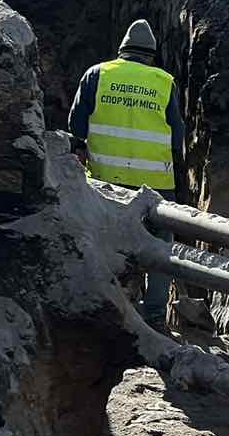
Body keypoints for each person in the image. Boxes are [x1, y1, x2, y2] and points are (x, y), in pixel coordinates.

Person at [68, 18, 188, 333]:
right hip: (157, 187)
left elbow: (76, 127)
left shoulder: (98, 74)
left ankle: (116, 311)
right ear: (151, 56)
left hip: (107, 182)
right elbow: (177, 139)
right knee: (160, 249)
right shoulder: (165, 82)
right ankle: (155, 318)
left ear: (122, 51)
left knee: (107, 245)